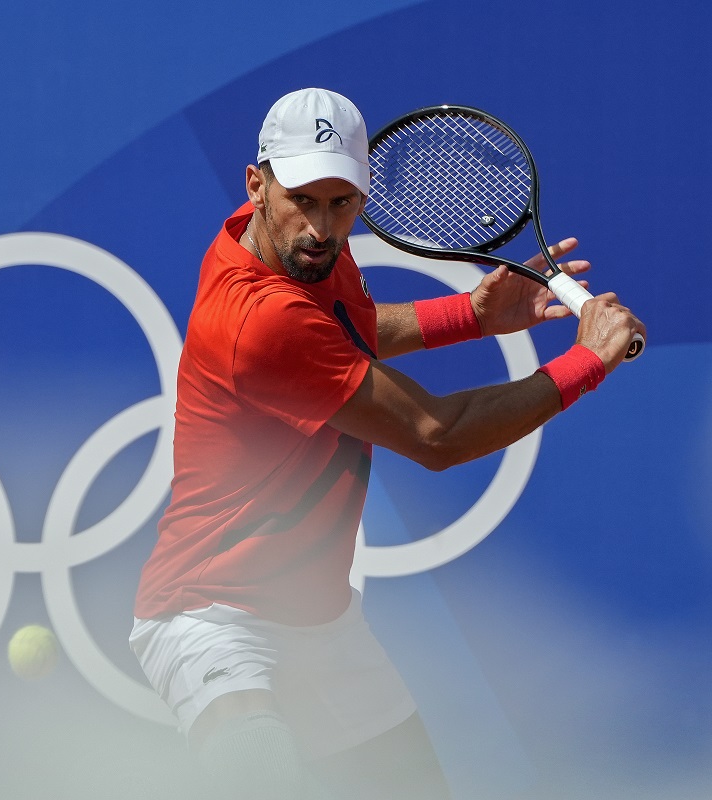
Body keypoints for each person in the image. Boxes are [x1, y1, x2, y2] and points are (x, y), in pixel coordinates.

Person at [129, 88, 645, 799]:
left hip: (321, 617)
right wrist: (588, 361)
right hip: (212, 611)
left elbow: (344, 332)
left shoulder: (303, 256)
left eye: (342, 202)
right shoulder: (256, 318)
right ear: (257, 183)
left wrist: (468, 315)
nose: (320, 225)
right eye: (303, 198)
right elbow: (438, 435)